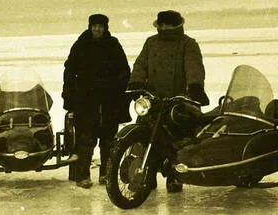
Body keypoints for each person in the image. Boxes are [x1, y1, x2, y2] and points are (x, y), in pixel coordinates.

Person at [127, 10, 210, 193]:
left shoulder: (188, 44)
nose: (163, 28)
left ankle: (174, 176)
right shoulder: (151, 42)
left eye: (167, 25)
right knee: (143, 134)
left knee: (177, 138)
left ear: (176, 25)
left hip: (178, 98)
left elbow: (194, 66)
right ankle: (145, 176)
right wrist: (136, 82)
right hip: (153, 98)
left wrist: (195, 87)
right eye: (161, 25)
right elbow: (140, 64)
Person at [62, 14, 131, 189]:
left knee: (108, 139)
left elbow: (124, 71)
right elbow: (69, 72)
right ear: (90, 27)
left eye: (100, 26)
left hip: (109, 100)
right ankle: (83, 176)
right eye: (94, 26)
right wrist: (69, 98)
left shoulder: (113, 44)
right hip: (86, 100)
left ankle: (106, 174)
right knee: (86, 139)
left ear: (105, 27)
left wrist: (117, 89)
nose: (97, 29)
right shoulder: (81, 44)